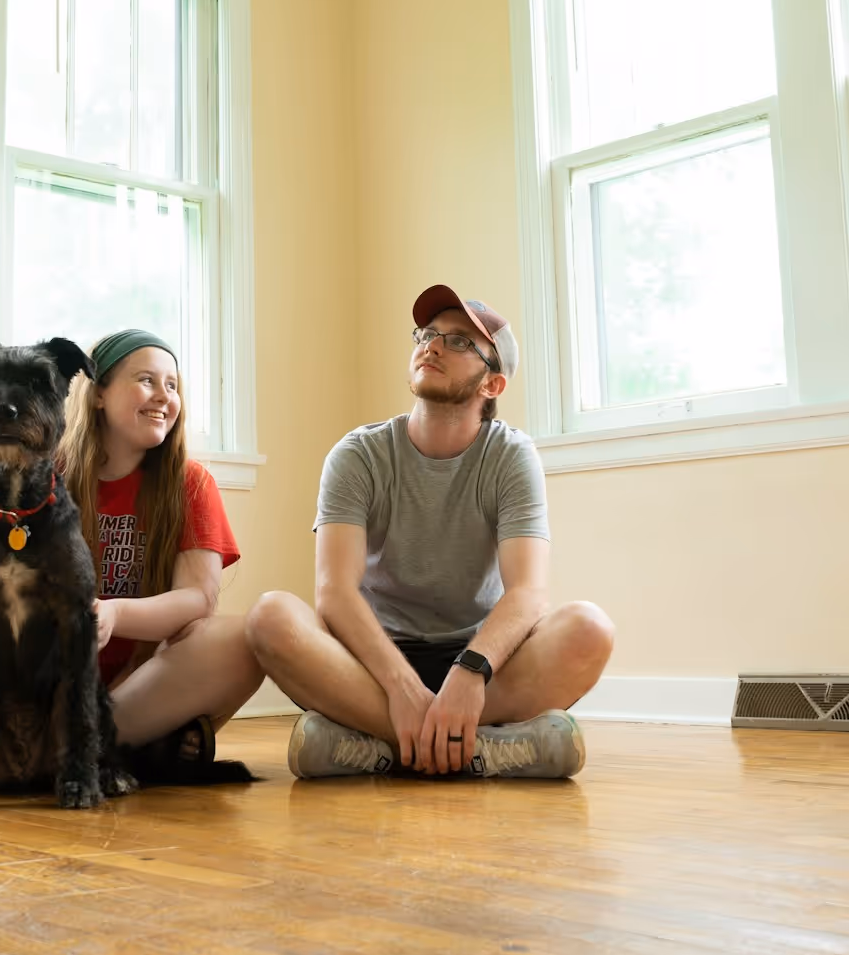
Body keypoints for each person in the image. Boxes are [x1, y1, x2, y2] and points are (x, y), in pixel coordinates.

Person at [245, 285, 615, 779]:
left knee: (590, 629)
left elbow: (528, 592)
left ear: (492, 385)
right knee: (270, 617)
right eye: (428, 333)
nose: (433, 345)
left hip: (482, 661)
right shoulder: (358, 454)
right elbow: (334, 592)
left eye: (461, 342)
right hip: (374, 661)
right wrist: (400, 685)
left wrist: (471, 671)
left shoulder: (511, 455)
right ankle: (484, 750)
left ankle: (376, 747)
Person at [0, 329, 262, 776]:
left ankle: (67, 754)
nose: (163, 396)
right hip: (41, 683)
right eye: (146, 380)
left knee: (242, 642)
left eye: (173, 385)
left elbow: (198, 600)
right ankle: (115, 753)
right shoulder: (42, 472)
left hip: (141, 680)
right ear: (97, 394)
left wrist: (114, 614)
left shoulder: (192, 483)